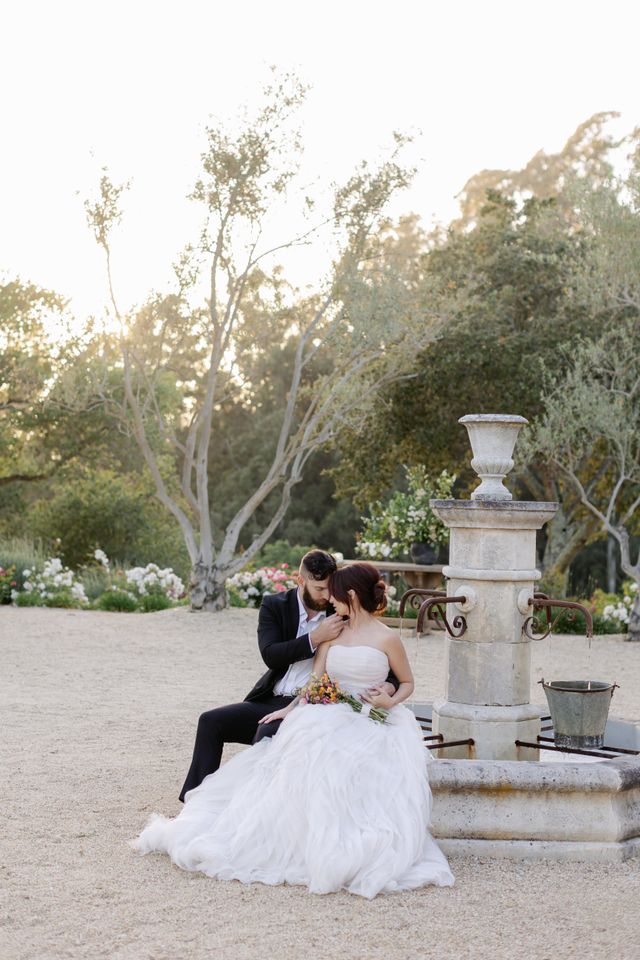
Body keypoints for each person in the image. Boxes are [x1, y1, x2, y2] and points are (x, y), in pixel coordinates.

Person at [134, 562, 454, 899]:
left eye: (335, 594)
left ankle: (353, 839)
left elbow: (406, 683)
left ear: (350, 595)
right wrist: (287, 711)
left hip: (373, 718)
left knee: (357, 766)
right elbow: (316, 681)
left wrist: (389, 700)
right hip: (328, 710)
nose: (330, 600)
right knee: (297, 751)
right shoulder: (333, 632)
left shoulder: (388, 638)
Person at [179, 549, 397, 801]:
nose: (327, 596)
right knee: (210, 721)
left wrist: (389, 688)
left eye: (330, 589)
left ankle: (256, 806)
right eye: (319, 589)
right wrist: (315, 638)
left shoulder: (339, 612)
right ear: (300, 581)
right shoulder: (275, 606)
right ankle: (193, 803)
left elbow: (379, 663)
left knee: (266, 733)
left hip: (313, 705)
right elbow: (271, 655)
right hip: (271, 698)